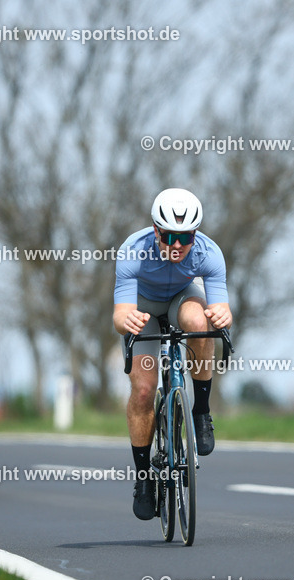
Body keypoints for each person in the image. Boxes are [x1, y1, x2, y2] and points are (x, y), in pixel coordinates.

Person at [113, 188, 233, 520]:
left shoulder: (209, 253)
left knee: (201, 321)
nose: (177, 245)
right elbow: (120, 314)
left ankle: (201, 411)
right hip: (144, 308)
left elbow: (220, 306)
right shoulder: (132, 251)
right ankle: (142, 479)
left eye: (185, 237)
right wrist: (127, 320)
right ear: (155, 230)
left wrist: (223, 315)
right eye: (169, 236)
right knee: (143, 389)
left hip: (183, 297)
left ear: (195, 234)